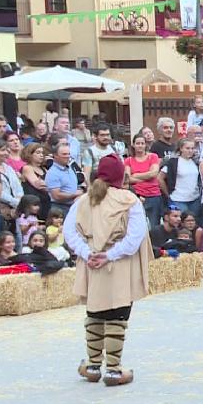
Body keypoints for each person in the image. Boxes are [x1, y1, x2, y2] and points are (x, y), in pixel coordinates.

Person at [64, 156, 152, 387]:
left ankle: (93, 366)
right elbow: (135, 237)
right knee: (118, 313)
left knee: (94, 312)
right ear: (120, 175)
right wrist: (109, 255)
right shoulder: (129, 200)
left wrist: (87, 253)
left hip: (91, 261)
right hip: (118, 263)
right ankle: (113, 370)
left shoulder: (83, 200)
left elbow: (70, 233)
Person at [123, 134, 162, 229]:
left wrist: (135, 175)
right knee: (137, 225)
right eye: (137, 143)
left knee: (154, 226)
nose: (140, 145)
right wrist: (147, 175)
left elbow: (154, 173)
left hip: (154, 195)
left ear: (146, 145)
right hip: (137, 195)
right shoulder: (128, 160)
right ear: (133, 145)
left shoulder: (153, 157)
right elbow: (128, 179)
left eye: (142, 143)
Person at [159, 139, 202, 219]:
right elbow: (160, 178)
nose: (190, 151)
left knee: (194, 222)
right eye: (187, 148)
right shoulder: (173, 162)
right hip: (178, 199)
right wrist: (168, 195)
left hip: (195, 199)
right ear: (181, 148)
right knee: (180, 222)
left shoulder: (195, 162)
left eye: (192, 148)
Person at [45, 142, 83, 214]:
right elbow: (57, 196)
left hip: (73, 206)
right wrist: (75, 194)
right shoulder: (53, 173)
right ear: (55, 155)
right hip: (60, 209)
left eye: (68, 154)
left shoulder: (70, 169)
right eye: (64, 154)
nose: (67, 156)